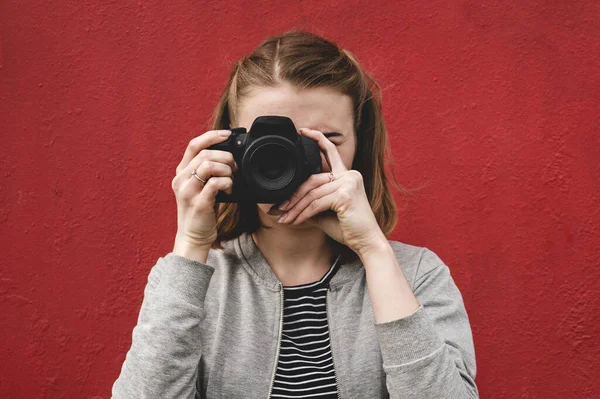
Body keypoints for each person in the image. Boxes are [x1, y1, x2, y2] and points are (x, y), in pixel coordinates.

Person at [112, 31, 478, 399]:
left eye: (323, 141)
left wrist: (373, 250)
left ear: (359, 148)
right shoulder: (192, 281)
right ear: (227, 144)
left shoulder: (416, 276)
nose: (287, 163)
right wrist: (191, 245)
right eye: (266, 144)